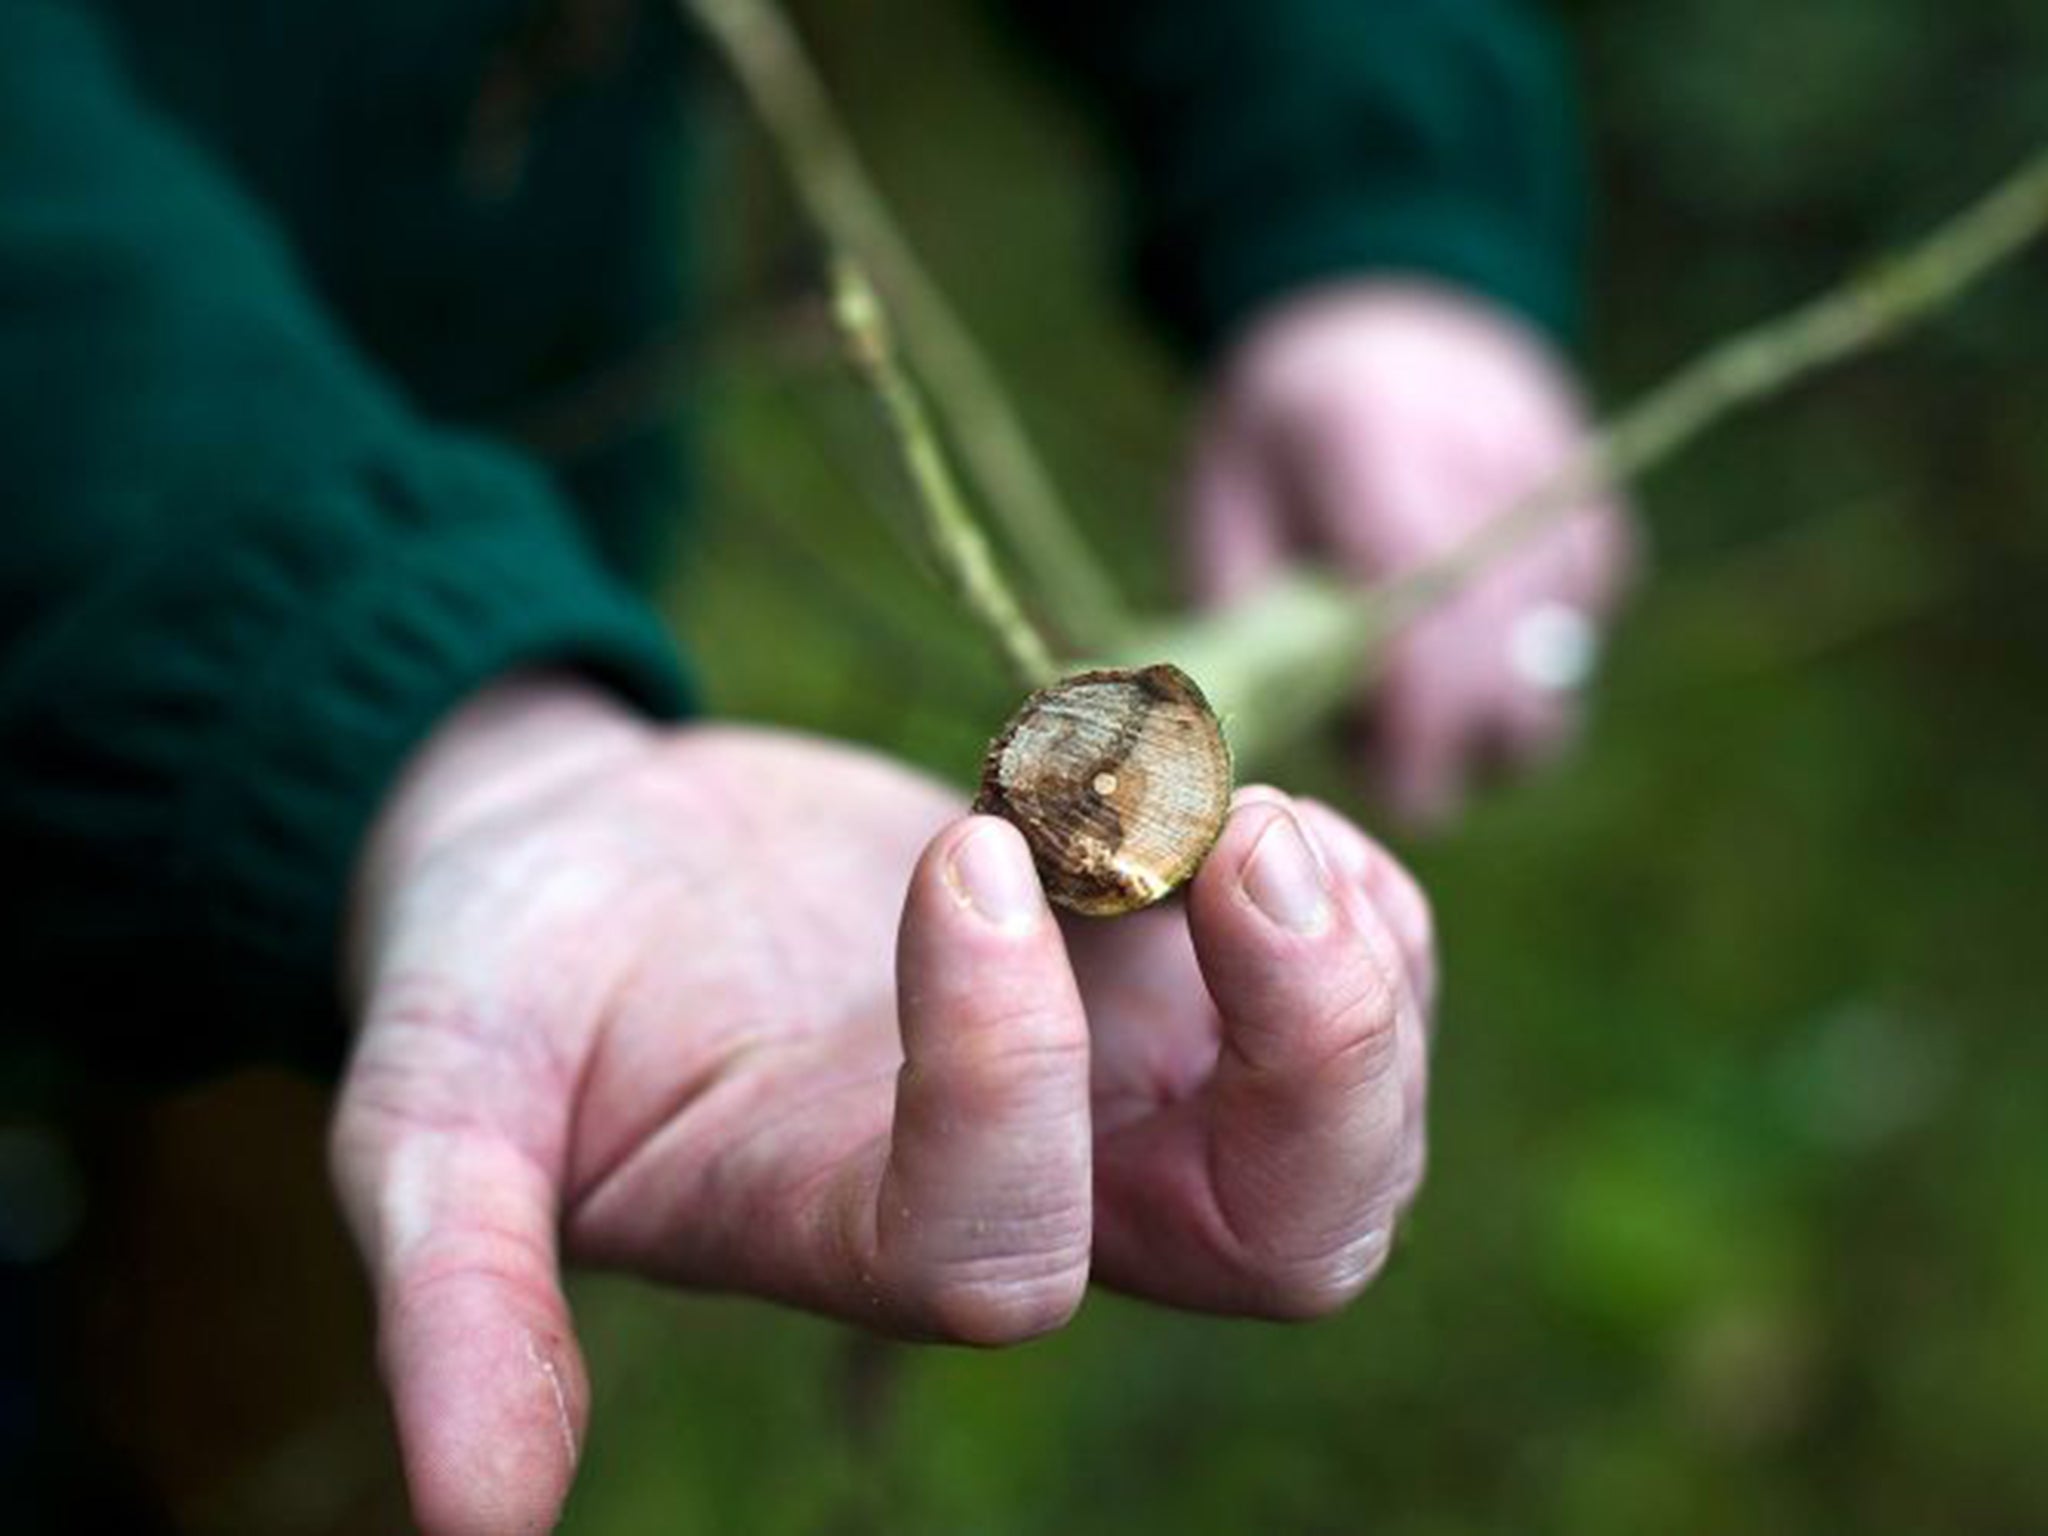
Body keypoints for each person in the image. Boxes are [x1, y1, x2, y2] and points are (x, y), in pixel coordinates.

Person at [0, 0, 1630, 1529]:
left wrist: (1378, 198)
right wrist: (351, 674)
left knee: (256, 1357)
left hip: (417, 708)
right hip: (304, 649)